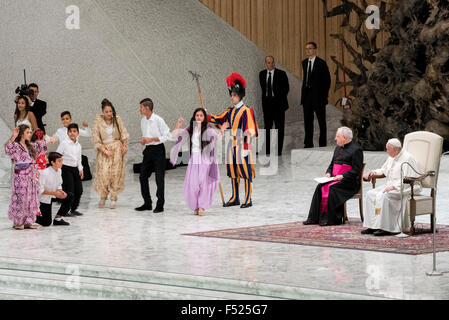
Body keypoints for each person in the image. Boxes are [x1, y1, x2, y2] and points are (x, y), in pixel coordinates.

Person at [208, 73, 259, 209]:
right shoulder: (230, 111)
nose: (232, 97)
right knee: (233, 171)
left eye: (234, 95)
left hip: (242, 144)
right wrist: (206, 115)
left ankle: (248, 198)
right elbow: (219, 119)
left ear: (240, 95)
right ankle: (235, 197)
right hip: (232, 144)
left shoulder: (247, 111)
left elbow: (250, 129)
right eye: (231, 95)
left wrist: (247, 147)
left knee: (246, 172)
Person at [170, 108, 227, 216]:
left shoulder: (208, 128)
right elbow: (176, 134)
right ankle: (195, 205)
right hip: (193, 160)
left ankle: (202, 206)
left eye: (201, 115)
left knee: (204, 183)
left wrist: (222, 130)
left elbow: (217, 138)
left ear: (204, 117)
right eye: (197, 115)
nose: (199, 117)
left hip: (204, 160)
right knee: (193, 184)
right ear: (194, 117)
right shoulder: (191, 128)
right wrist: (178, 124)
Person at [303, 127, 363, 226]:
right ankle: (314, 218)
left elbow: (357, 170)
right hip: (334, 178)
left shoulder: (356, 150)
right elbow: (332, 165)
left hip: (349, 182)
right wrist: (328, 173)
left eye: (337, 136)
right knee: (320, 187)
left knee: (332, 189)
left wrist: (342, 176)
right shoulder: (338, 148)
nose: (335, 138)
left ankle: (330, 219)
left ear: (344, 137)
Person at [361, 139, 422, 236]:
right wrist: (373, 172)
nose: (386, 151)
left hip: (405, 187)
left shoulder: (408, 159)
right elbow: (384, 170)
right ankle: (372, 226)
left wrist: (394, 186)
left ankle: (386, 227)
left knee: (385, 196)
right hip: (390, 185)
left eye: (388, 149)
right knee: (370, 194)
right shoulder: (392, 157)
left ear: (396, 150)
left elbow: (410, 178)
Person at [4, 125, 56, 230]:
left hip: (30, 174)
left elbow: (39, 144)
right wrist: (13, 136)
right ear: (22, 133)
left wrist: (50, 141)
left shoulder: (30, 146)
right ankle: (18, 222)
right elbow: (7, 148)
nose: (30, 134)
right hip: (20, 175)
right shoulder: (16, 145)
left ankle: (28, 221)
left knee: (30, 198)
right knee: (21, 198)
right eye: (27, 132)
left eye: (30, 132)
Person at [135, 98, 171, 213]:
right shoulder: (142, 121)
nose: (140, 109)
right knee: (142, 176)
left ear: (147, 108)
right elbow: (145, 135)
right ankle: (147, 203)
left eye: (141, 107)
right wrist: (144, 140)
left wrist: (152, 139)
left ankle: (160, 205)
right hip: (148, 150)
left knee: (159, 178)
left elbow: (167, 135)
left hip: (158, 150)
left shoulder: (158, 120)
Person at [92, 99, 129, 209]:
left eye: (110, 111)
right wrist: (105, 150)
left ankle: (113, 198)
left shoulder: (117, 120)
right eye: (107, 111)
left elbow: (123, 133)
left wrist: (124, 146)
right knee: (103, 174)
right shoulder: (98, 122)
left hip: (117, 149)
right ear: (103, 112)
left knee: (115, 175)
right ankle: (103, 196)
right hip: (104, 150)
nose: (109, 114)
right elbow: (96, 139)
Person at [301, 42, 331, 148]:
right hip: (307, 97)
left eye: (310, 48)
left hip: (319, 98)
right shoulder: (304, 63)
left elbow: (327, 81)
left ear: (315, 49)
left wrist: (324, 96)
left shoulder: (321, 63)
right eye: (306, 48)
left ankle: (322, 143)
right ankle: (308, 143)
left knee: (321, 122)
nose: (308, 51)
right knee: (307, 121)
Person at [259, 55, 289, 156]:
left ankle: (278, 150)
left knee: (279, 128)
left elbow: (286, 89)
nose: (270, 64)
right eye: (268, 62)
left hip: (279, 105)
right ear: (266, 64)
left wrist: (278, 98)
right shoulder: (262, 74)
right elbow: (264, 89)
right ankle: (267, 149)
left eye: (272, 62)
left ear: (274, 63)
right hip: (267, 104)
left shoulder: (281, 74)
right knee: (267, 127)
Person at [54, 111, 92, 181]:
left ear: (70, 119)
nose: (65, 120)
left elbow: (88, 134)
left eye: (67, 118)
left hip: (75, 155)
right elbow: (53, 138)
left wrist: (87, 127)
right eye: (63, 119)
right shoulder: (59, 131)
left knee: (83, 159)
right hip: (65, 157)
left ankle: (82, 177)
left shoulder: (76, 129)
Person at [56, 123, 84, 217]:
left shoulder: (79, 145)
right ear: (67, 133)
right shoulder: (64, 143)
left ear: (78, 133)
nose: (72, 133)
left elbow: (79, 159)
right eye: (70, 131)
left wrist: (80, 169)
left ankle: (73, 209)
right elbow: (57, 155)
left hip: (75, 169)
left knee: (79, 190)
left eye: (74, 131)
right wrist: (57, 168)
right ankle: (66, 211)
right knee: (70, 191)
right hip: (66, 169)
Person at [36, 152, 70, 227]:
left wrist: (60, 191)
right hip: (43, 199)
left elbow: (59, 184)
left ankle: (58, 219)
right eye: (59, 161)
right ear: (52, 162)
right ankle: (31, 215)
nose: (62, 163)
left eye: (62, 161)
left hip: (53, 195)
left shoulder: (59, 171)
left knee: (69, 196)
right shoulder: (44, 173)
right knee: (46, 223)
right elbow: (40, 191)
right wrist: (54, 193)